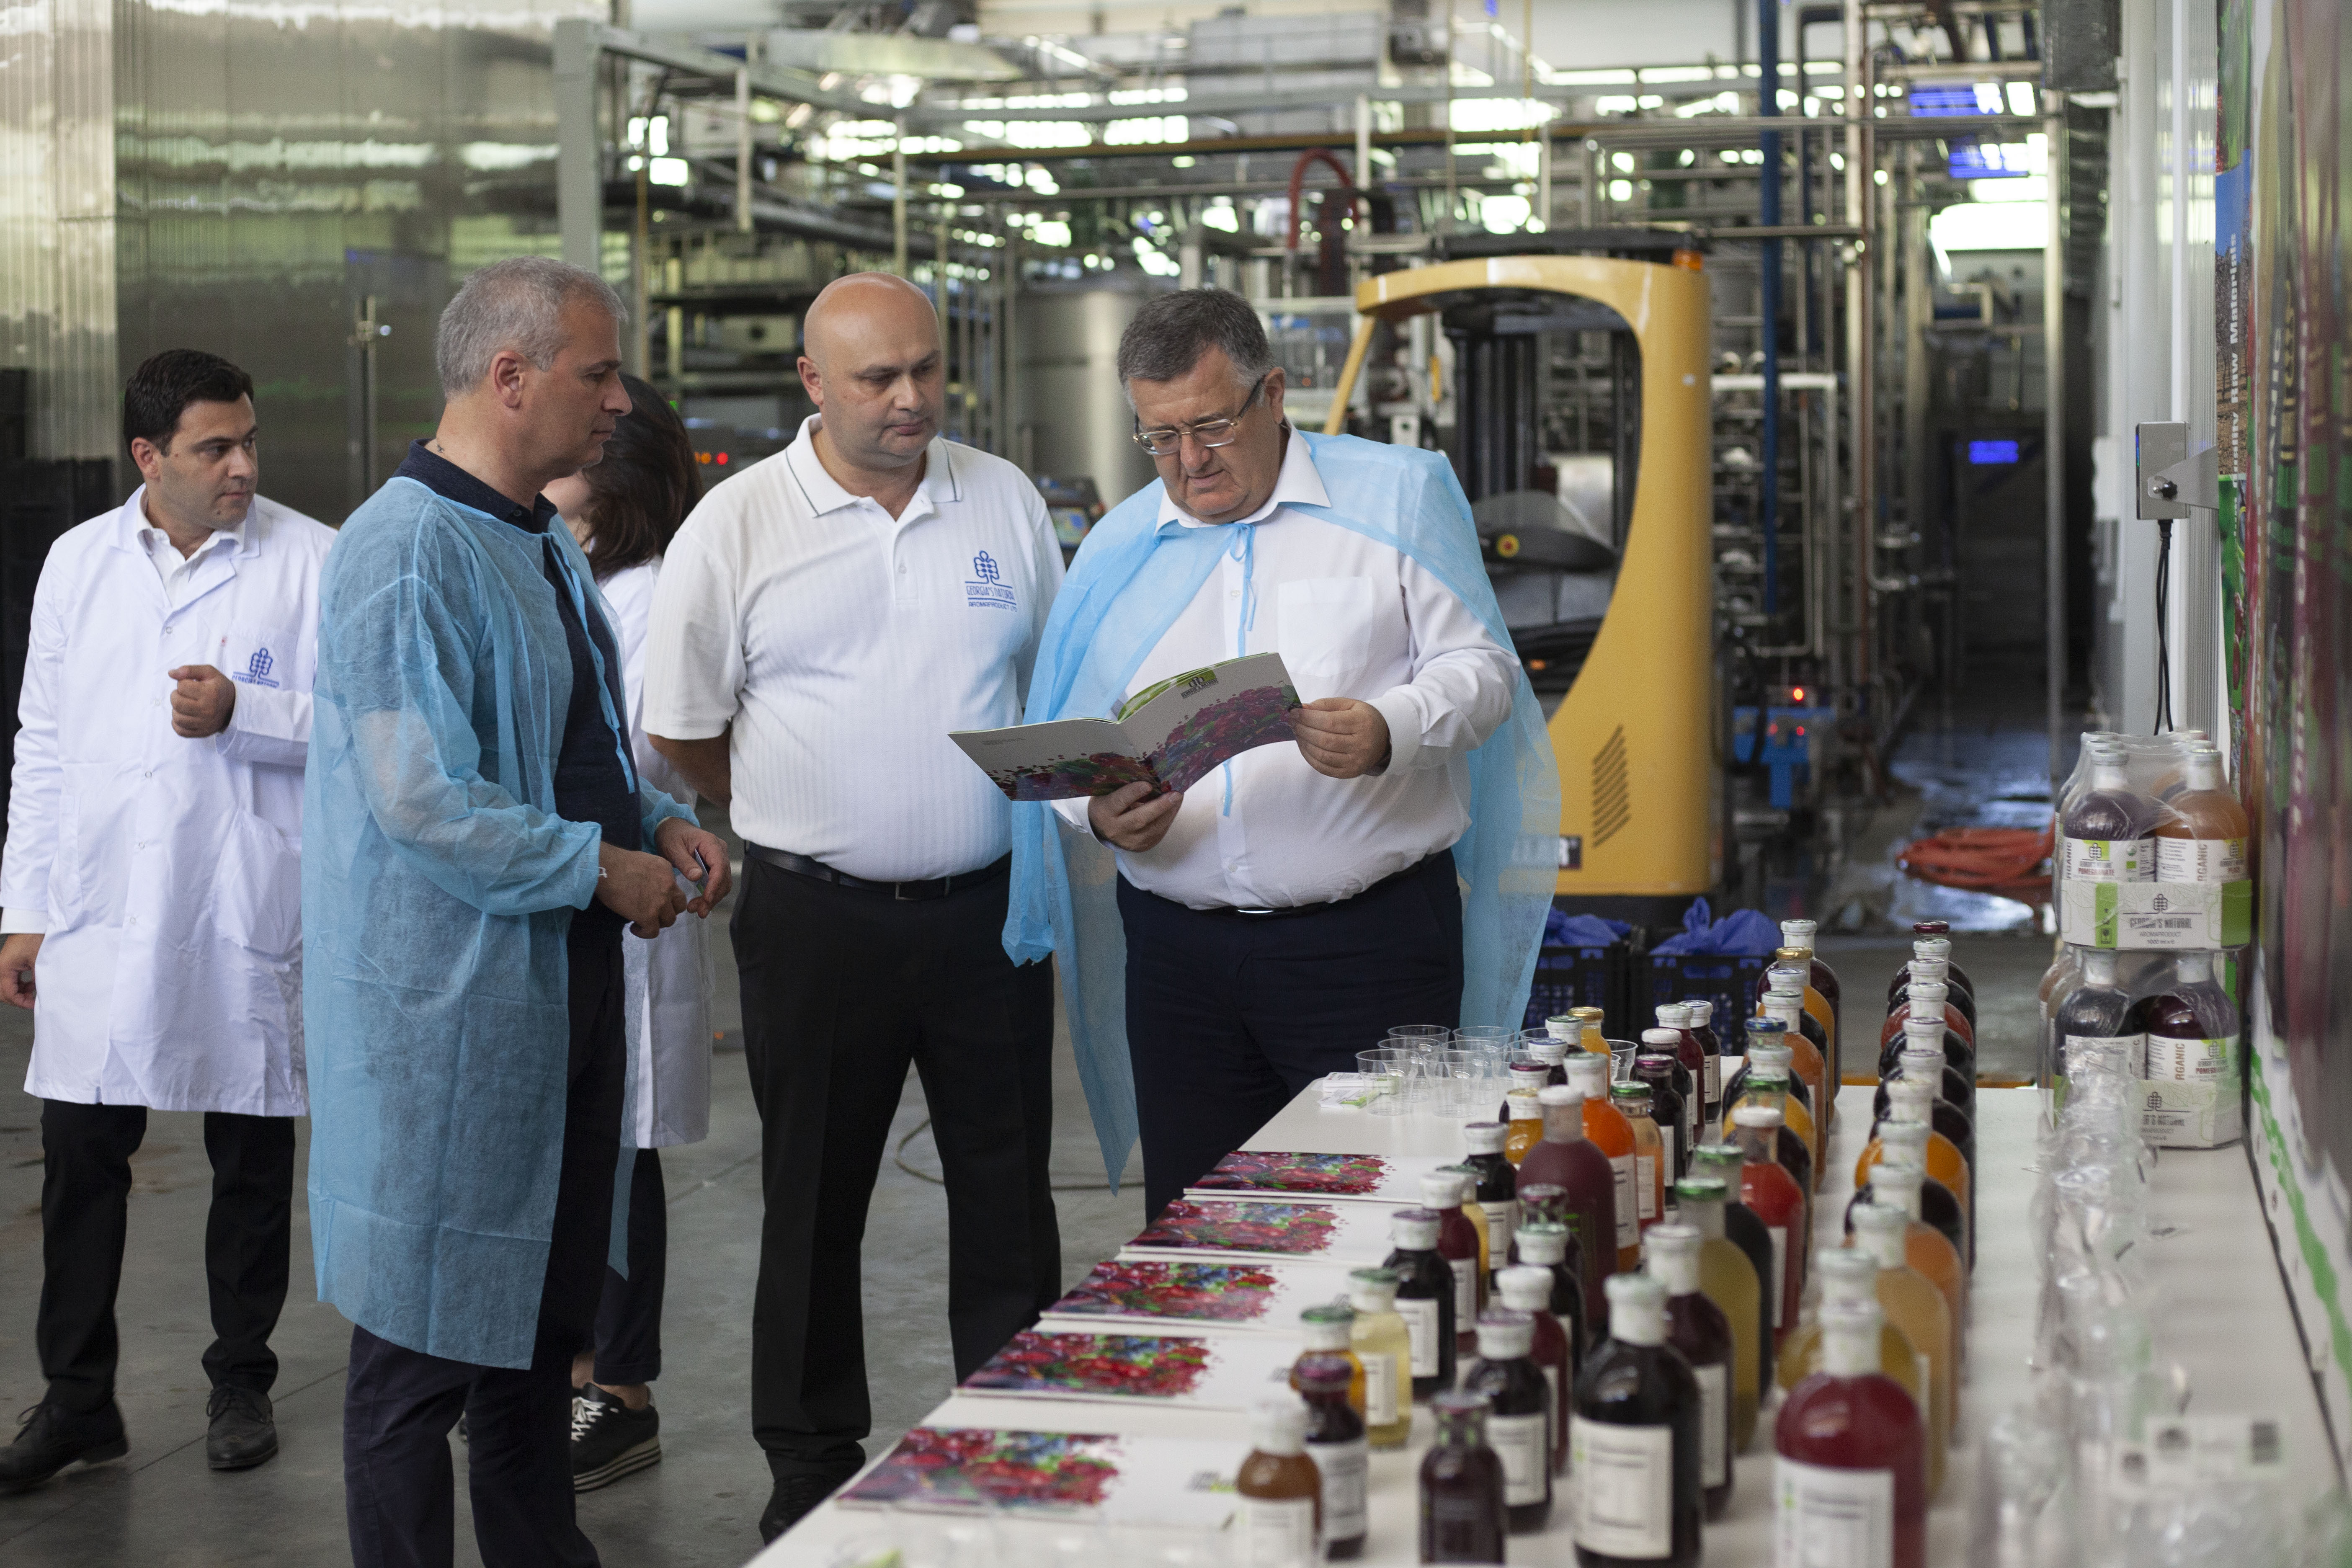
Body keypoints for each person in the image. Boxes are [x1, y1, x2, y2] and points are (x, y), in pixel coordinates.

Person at [303, 256, 731, 1568]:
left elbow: (568, 745)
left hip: (561, 995)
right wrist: (601, 870)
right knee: (419, 1359)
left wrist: (652, 821)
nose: (619, 402)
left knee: (541, 1342)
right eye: (598, 375)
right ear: (510, 376)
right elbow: (420, 797)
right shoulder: (403, 548)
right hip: (454, 1019)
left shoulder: (538, 537)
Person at [642, 271, 1065, 1540]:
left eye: (927, 369)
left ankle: (1012, 1433)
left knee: (1008, 1193)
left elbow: (1054, 683)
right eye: (879, 378)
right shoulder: (738, 522)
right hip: (815, 922)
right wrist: (797, 803)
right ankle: (808, 1460)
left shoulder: (1001, 498)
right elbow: (682, 727)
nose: (911, 398)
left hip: (992, 913)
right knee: (813, 1199)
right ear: (814, 384)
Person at [1008, 287, 1559, 1220]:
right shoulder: (1121, 545)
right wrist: (1095, 810)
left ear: (1273, 395)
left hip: (1366, 952)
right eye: (1159, 437)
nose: (1188, 461)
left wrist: (1393, 726)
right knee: (1201, 1233)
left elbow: (1483, 671)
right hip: (1180, 964)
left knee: (1387, 1223)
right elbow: (1074, 731)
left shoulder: (1396, 495)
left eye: (1211, 427)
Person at [0, 350, 333, 1492]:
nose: (244, 467)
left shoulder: (315, 560)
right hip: (99, 907)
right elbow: (44, 742)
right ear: (148, 457)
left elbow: (364, 726)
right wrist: (25, 910)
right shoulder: (78, 562)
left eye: (250, 442)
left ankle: (241, 1380)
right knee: (82, 1157)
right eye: (215, 448)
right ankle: (78, 1400)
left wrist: (249, 710)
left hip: (244, 898)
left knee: (250, 1146)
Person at [542, 372, 714, 1491]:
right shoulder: (571, 575)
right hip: (567, 897)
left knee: (618, 1158)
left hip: (628, 894)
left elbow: (644, 750)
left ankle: (620, 1390)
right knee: (577, 1156)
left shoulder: (656, 594)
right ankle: (568, 1375)